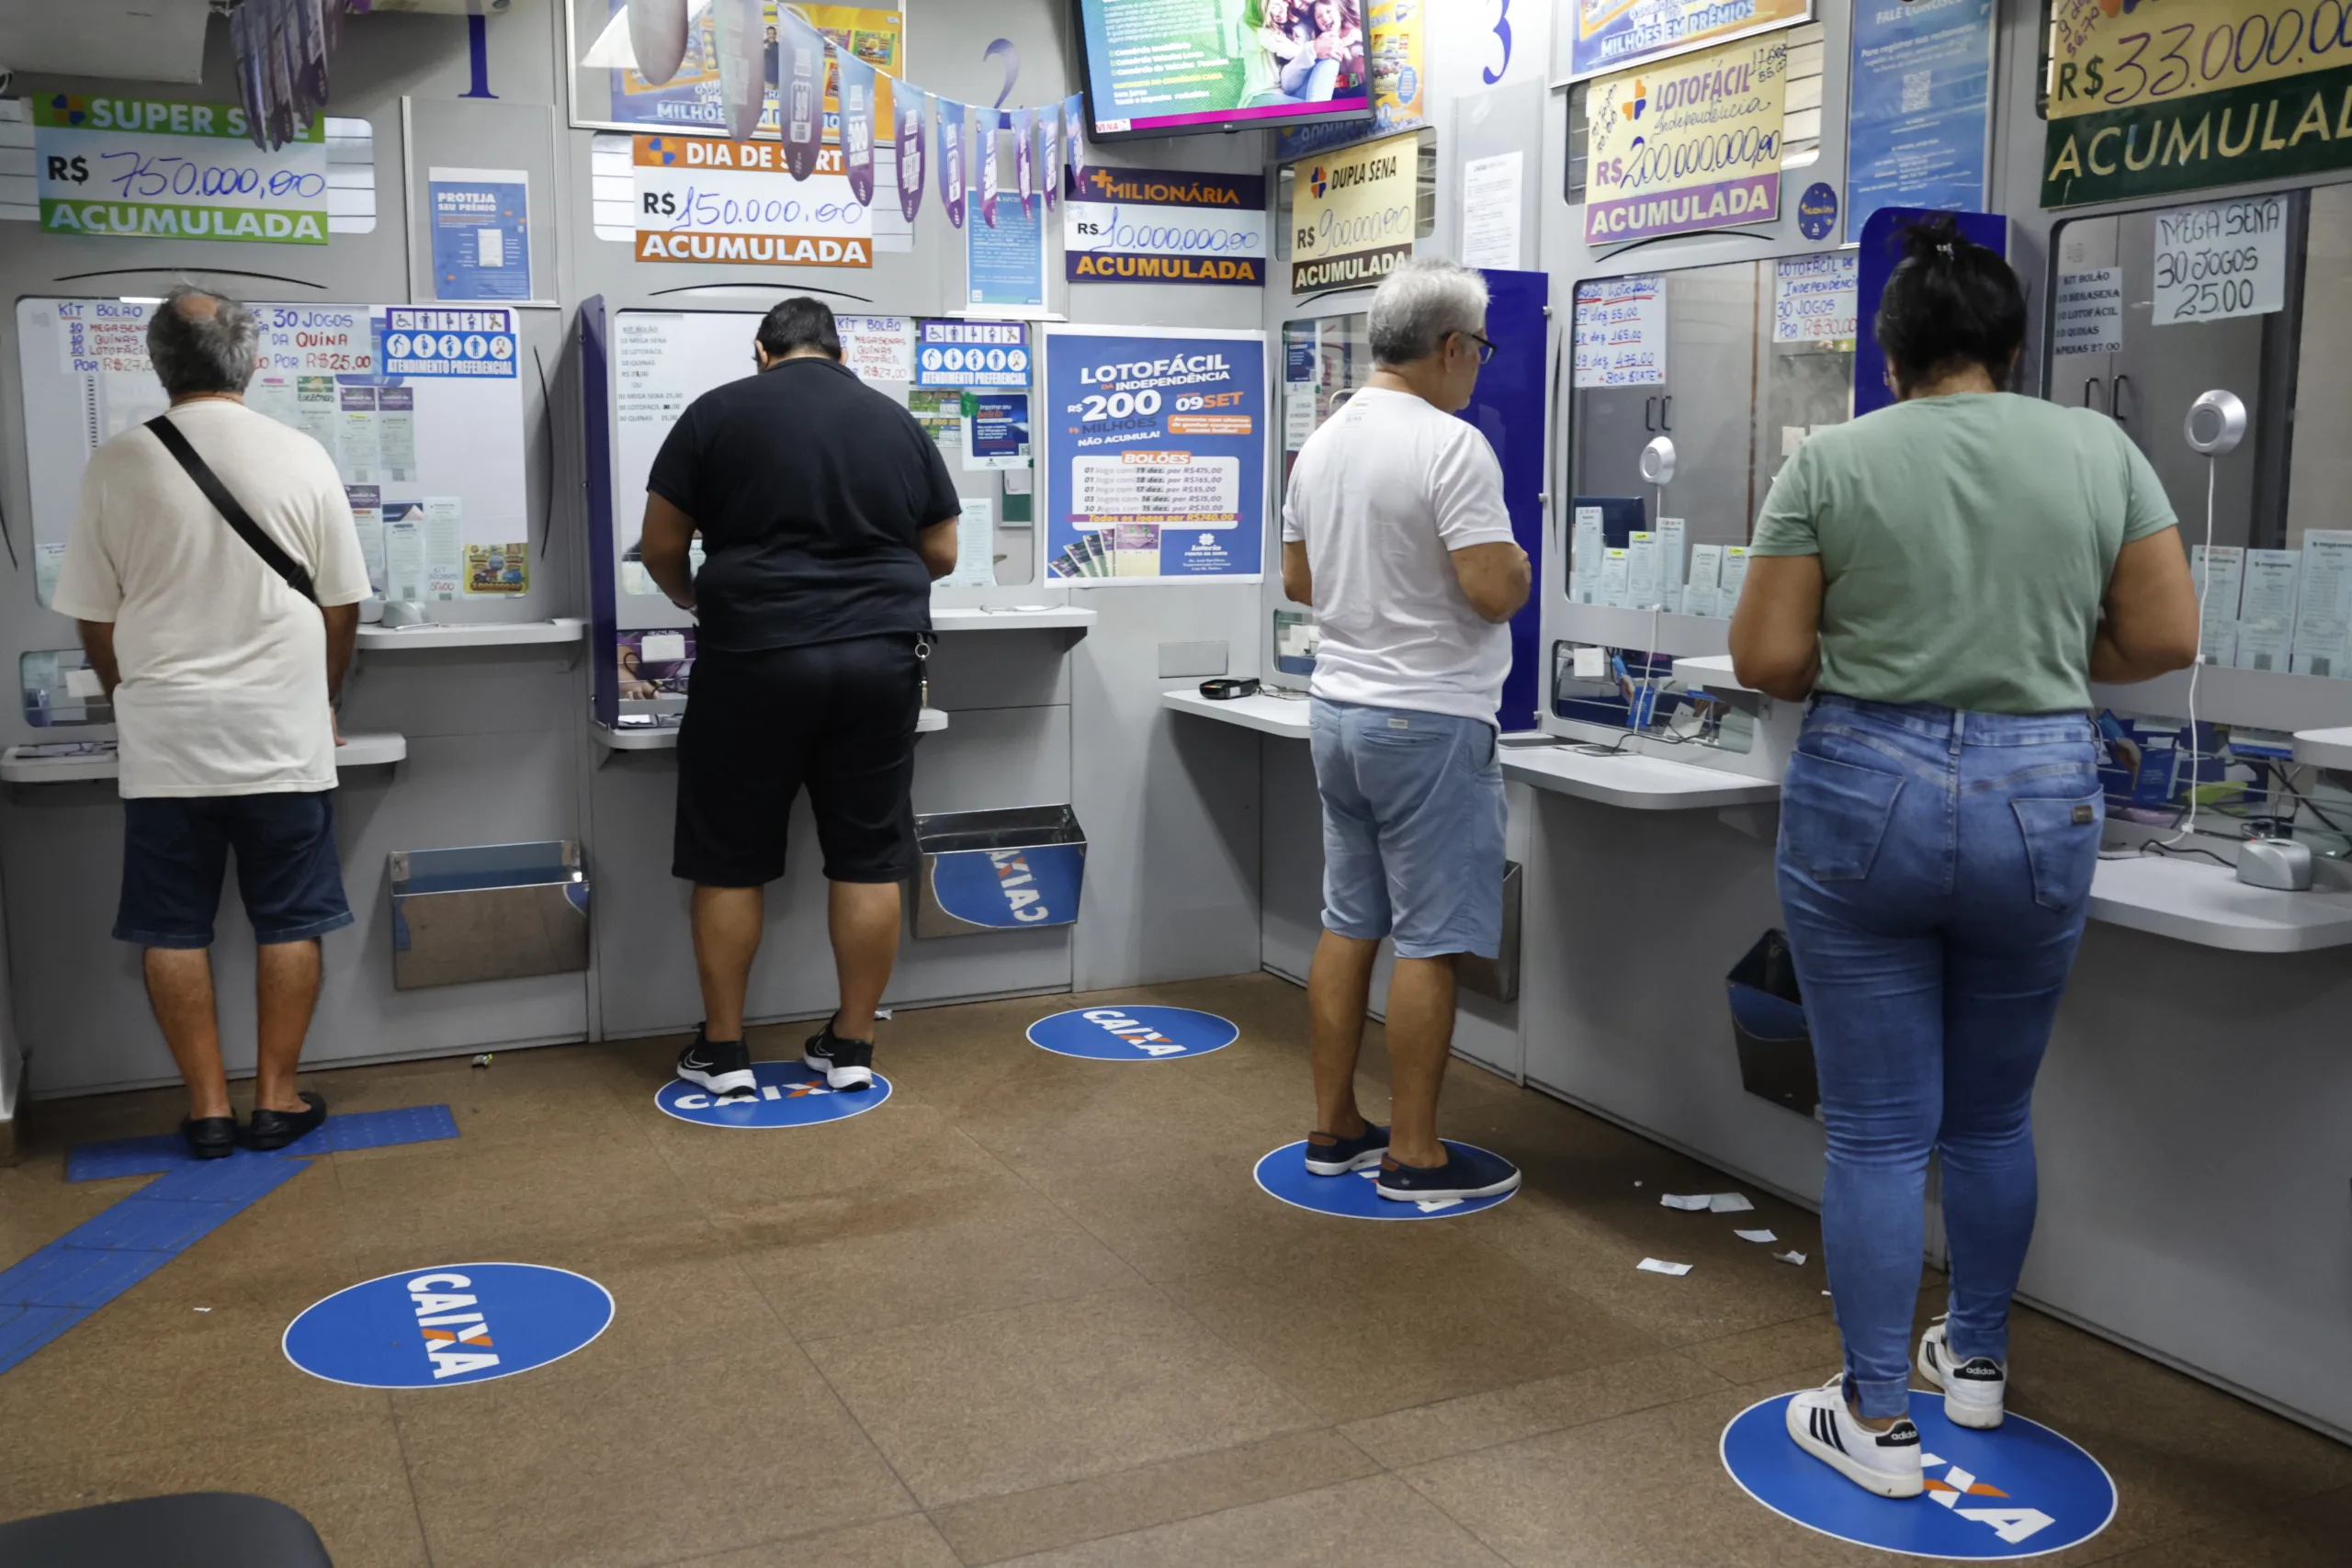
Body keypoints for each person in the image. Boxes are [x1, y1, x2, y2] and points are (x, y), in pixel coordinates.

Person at [1730, 217, 2201, 1496]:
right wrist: (2041, 660)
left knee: (1880, 1132)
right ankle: (1977, 1365)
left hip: (1862, 791)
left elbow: (1768, 661)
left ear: (1892, 358)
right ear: (2009, 345)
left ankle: (1876, 1418)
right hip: (2041, 789)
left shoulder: (1833, 461)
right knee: (1992, 1113)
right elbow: (2163, 634)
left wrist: (1889, 667)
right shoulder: (2099, 447)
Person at [53, 287, 370, 1159]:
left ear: (157, 364)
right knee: (291, 915)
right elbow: (341, 607)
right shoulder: (302, 456)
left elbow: (94, 615)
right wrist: (324, 697)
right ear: (252, 362)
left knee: (171, 923)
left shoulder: (116, 464)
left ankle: (207, 1111)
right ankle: (275, 1099)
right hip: (281, 732)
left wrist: (131, 699)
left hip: (166, 740)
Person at [639, 297, 961, 1099]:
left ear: (762, 351)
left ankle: (723, 1053)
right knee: (868, 854)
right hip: (879, 659)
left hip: (756, 656)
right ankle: (851, 1044)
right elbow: (943, 550)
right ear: (839, 352)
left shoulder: (716, 414)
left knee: (729, 854)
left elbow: (661, 545)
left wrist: (696, 598)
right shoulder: (895, 422)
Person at [1279, 256, 1531, 1203]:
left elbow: (1301, 583)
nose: (1476, 368)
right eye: (1478, 351)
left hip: (1337, 713)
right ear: (1452, 346)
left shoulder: (1326, 440)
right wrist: (1518, 571)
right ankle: (1415, 1154)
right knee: (1430, 938)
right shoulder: (1451, 445)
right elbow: (1489, 588)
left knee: (1350, 922)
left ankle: (1334, 1124)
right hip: (1428, 722)